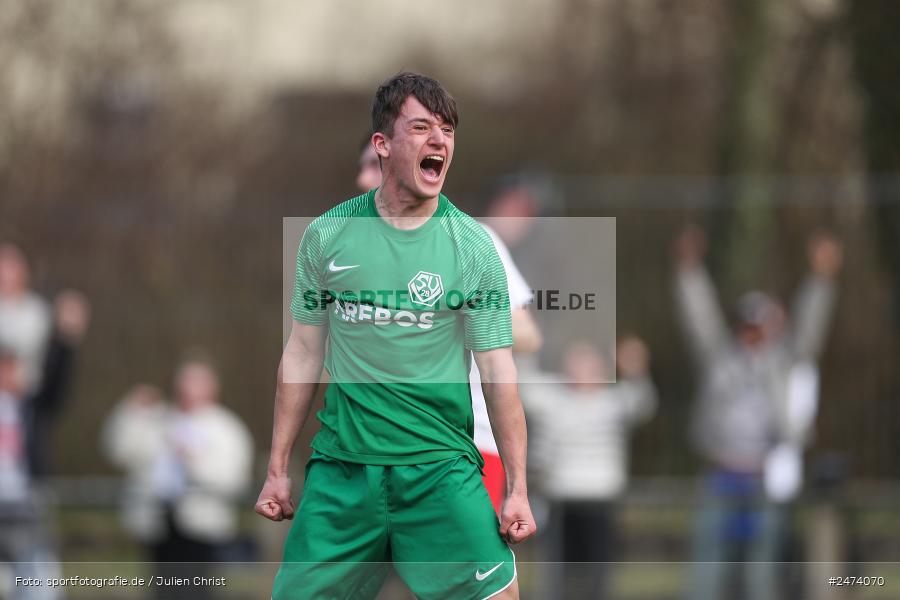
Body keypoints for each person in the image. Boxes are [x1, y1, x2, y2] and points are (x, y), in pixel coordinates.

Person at [257, 72, 536, 600]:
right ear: (382, 145)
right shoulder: (327, 235)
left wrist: (519, 488)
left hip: (439, 470)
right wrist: (277, 468)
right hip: (344, 471)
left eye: (447, 130)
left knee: (501, 596)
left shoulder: (473, 247)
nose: (440, 140)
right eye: (422, 127)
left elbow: (499, 370)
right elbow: (302, 352)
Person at [355, 139, 542, 514]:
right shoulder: (350, 248)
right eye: (361, 168)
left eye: (374, 165)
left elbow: (528, 335)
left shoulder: (470, 239)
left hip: (466, 447)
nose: (362, 179)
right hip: (377, 447)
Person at [673, 225, 842, 600]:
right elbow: (699, 318)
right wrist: (689, 271)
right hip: (721, 474)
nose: (752, 333)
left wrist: (822, 279)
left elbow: (810, 329)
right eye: (747, 325)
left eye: (759, 326)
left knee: (761, 568)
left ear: (770, 327)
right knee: (708, 565)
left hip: (762, 476)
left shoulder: (782, 362)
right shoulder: (720, 359)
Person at [103, 357, 253, 598]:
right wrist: (130, 411)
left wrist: (194, 461)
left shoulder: (226, 428)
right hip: (158, 524)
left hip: (202, 528)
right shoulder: (158, 420)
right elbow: (120, 451)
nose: (188, 391)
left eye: (196, 383)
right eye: (184, 383)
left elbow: (234, 479)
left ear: (212, 388)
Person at [524, 337, 657, 599]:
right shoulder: (551, 398)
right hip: (560, 501)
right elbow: (521, 383)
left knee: (598, 575)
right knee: (557, 576)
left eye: (587, 364)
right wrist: (524, 343)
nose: (581, 371)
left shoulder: (614, 402)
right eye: (575, 363)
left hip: (601, 501)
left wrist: (635, 369)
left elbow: (643, 401)